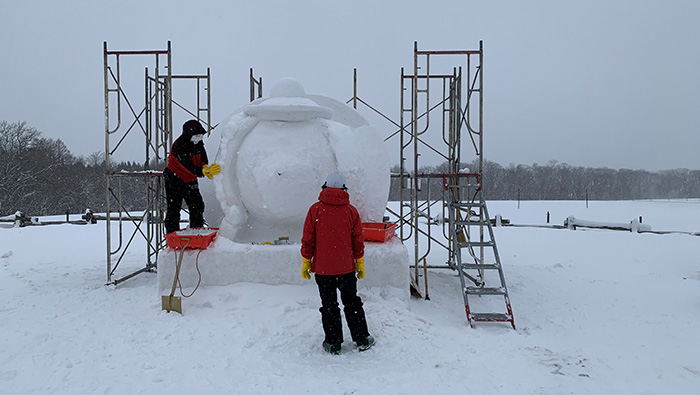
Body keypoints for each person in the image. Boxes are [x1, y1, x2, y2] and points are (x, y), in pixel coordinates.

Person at [300, 171, 375, 355]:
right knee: (352, 302)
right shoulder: (350, 211)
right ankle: (362, 338)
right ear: (344, 189)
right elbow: (358, 240)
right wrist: (360, 262)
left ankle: (333, 343)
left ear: (325, 186)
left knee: (329, 305)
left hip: (323, 270)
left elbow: (308, 238)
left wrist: (306, 261)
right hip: (346, 269)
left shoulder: (315, 210)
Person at [163, 119, 220, 234]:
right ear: (188, 135)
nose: (198, 138)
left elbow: (203, 157)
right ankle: (172, 235)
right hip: (174, 178)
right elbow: (186, 165)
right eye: (196, 135)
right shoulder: (179, 146)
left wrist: (205, 167)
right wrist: (201, 172)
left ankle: (196, 231)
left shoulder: (198, 143)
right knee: (174, 208)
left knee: (197, 205)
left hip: (190, 178)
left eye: (200, 135)